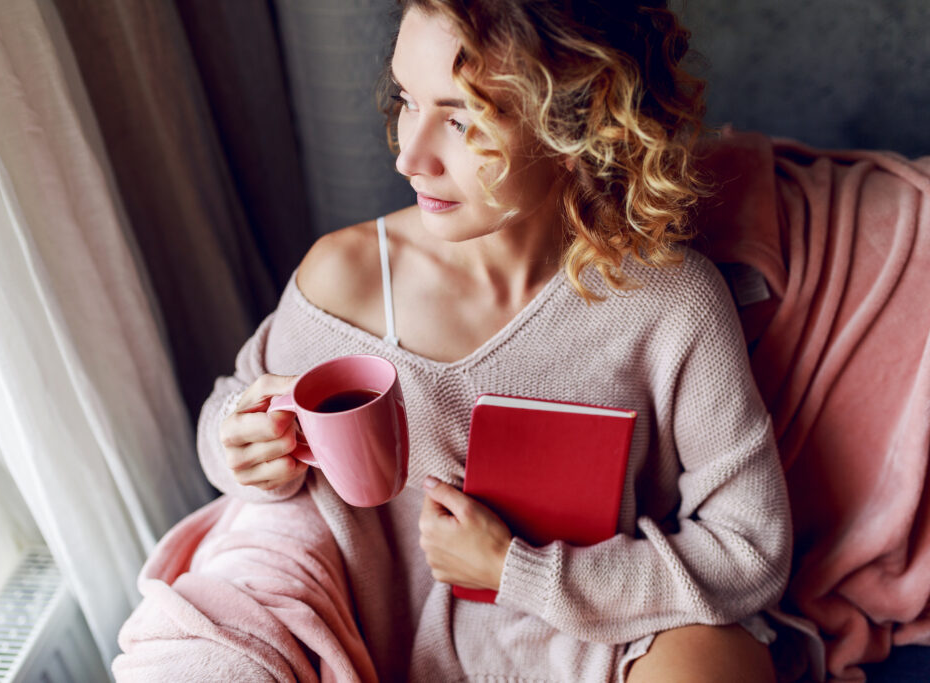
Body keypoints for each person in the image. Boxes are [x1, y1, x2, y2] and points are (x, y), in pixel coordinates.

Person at [208, 1, 797, 680]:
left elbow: (751, 550)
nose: (408, 156)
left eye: (461, 119)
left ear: (582, 119)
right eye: (406, 100)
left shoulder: (671, 302)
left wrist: (516, 570)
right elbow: (229, 410)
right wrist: (244, 447)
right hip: (388, 643)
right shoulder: (348, 278)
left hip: (602, 631)